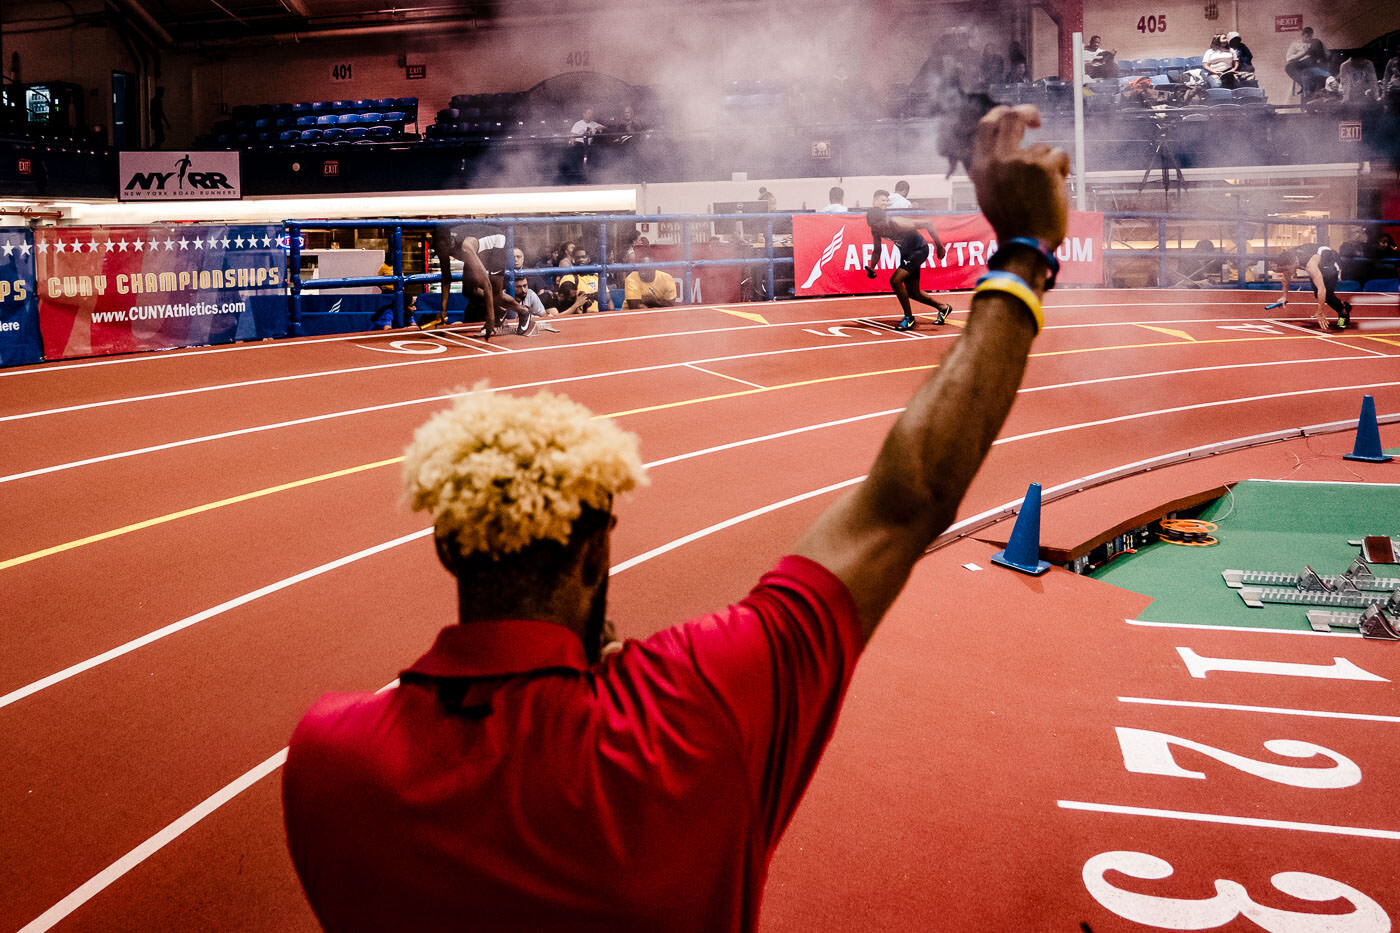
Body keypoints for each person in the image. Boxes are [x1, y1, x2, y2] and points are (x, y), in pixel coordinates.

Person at [283, 102, 1067, 933]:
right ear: (594, 552)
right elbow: (906, 500)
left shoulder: (330, 760)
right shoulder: (691, 708)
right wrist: (1022, 256)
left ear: (447, 544)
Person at [426, 222, 527, 337]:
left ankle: (523, 312)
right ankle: (499, 310)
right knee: (468, 290)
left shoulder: (465, 247)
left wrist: (490, 320)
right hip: (477, 246)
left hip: (496, 243)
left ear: (451, 244)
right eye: (439, 251)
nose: (442, 255)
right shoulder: (441, 245)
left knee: (496, 294)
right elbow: (446, 277)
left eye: (444, 251)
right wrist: (443, 309)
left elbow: (486, 285)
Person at [864, 206, 953, 330]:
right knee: (913, 292)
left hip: (919, 250)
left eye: (877, 225)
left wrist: (939, 246)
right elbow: (877, 250)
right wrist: (872, 267)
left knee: (895, 281)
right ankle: (943, 307)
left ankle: (909, 318)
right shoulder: (876, 230)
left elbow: (928, 223)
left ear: (883, 219)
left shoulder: (897, 223)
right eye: (872, 226)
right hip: (906, 254)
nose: (876, 229)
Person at [1275, 243, 1351, 330]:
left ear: (1293, 262)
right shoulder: (1288, 259)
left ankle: (1343, 311)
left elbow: (1321, 289)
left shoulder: (1310, 265)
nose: (1286, 272)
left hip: (1330, 261)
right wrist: (1284, 296)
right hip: (1318, 263)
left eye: (1288, 269)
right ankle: (1343, 306)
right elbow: (1286, 277)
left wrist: (1320, 312)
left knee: (1326, 294)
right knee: (1317, 294)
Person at [1285, 27, 1330, 99]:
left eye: (1310, 36)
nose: (1309, 39)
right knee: (1288, 67)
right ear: (1302, 35)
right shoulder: (1295, 44)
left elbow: (1327, 54)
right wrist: (1304, 53)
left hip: (1315, 63)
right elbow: (1289, 58)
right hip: (1301, 64)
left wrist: (1321, 57)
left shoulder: (1315, 42)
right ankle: (1305, 86)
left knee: (1317, 42)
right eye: (1307, 37)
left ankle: (1308, 88)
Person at [557, 246, 600, 314]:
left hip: (600, 317)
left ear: (588, 259)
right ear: (573, 260)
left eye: (583, 257)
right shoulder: (569, 278)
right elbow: (565, 306)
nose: (581, 260)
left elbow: (609, 301)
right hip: (581, 319)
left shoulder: (595, 277)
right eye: (578, 258)